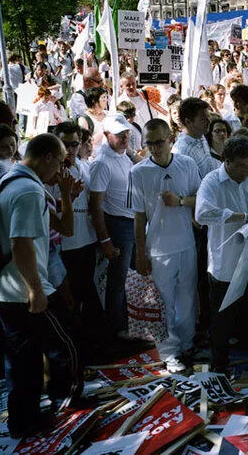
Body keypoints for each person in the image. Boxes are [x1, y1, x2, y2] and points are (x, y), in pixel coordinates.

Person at [0, 134, 82, 438]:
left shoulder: (11, 178)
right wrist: (36, 291)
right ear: (47, 157)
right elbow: (21, 244)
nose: (62, 170)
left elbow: (64, 228)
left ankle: (24, 420)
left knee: (21, 356)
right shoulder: (27, 191)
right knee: (66, 342)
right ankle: (62, 400)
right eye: (60, 161)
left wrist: (65, 194)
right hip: (21, 289)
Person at [195, 136, 248, 373]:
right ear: (227, 162)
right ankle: (219, 368)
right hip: (226, 265)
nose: (246, 171)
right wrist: (243, 216)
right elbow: (202, 214)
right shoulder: (212, 181)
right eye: (241, 166)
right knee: (222, 322)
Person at [130, 119, 201, 373]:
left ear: (170, 138)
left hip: (186, 244)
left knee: (187, 298)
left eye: (159, 142)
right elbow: (138, 216)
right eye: (149, 143)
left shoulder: (187, 164)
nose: (155, 147)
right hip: (158, 249)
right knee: (164, 303)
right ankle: (169, 352)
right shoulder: (138, 172)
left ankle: (187, 344)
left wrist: (181, 201)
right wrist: (140, 253)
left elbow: (199, 198)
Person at [49, 121, 103, 333]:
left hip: (87, 240)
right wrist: (69, 196)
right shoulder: (50, 171)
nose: (70, 149)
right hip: (64, 245)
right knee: (70, 298)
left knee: (87, 293)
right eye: (66, 144)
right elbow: (47, 208)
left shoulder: (84, 165)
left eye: (75, 144)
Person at [88, 115, 134, 337]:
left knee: (127, 279)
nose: (125, 137)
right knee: (118, 281)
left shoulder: (123, 156)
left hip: (130, 223)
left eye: (126, 133)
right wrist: (105, 239)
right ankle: (116, 330)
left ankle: (125, 326)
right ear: (106, 135)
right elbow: (95, 205)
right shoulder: (101, 163)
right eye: (119, 134)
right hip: (117, 225)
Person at [173, 97, 219, 179]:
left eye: (208, 116)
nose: (209, 121)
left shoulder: (200, 136)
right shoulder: (182, 152)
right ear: (188, 122)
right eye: (203, 119)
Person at [78, 87, 108, 152]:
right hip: (94, 158)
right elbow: (84, 143)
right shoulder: (84, 119)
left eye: (106, 97)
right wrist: (103, 133)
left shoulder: (108, 114)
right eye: (103, 98)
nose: (106, 100)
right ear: (94, 101)